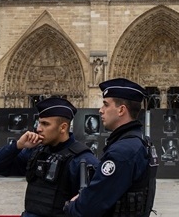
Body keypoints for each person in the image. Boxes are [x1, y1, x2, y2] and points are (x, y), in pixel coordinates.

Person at [0, 97, 99, 217]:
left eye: (45, 124)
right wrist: (18, 145)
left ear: (63, 127)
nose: (38, 128)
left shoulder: (82, 160)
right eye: (39, 122)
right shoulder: (36, 152)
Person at [64, 78, 157, 217]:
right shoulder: (139, 141)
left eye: (106, 105)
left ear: (121, 110)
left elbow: (91, 205)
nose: (100, 110)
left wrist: (71, 206)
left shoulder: (123, 151)